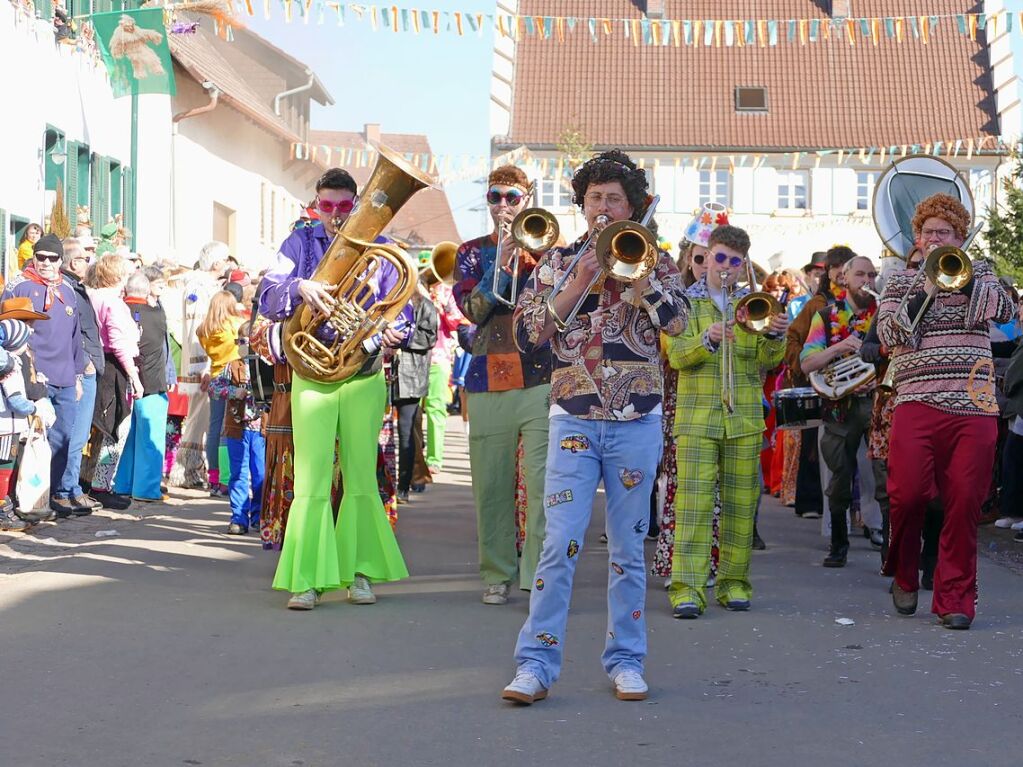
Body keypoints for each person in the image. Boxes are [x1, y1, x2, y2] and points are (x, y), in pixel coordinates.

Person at [502, 150, 688, 705]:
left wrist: (642, 282)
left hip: (637, 421)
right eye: (594, 199)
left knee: (629, 550)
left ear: (632, 207)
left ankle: (626, 661)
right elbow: (528, 334)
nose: (603, 208)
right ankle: (535, 663)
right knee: (559, 543)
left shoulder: (660, 261)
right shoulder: (558, 262)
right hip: (574, 418)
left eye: (614, 199)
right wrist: (579, 278)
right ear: (582, 206)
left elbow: (678, 323)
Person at [259, 167, 414, 610]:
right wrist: (300, 287)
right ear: (316, 205)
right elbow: (268, 294)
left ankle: (358, 574)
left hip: (362, 372)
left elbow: (400, 314)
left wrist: (386, 333)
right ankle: (306, 580)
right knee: (310, 481)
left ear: (358, 204)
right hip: (313, 373)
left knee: (362, 476)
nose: (335, 215)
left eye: (345, 207)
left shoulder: (382, 249)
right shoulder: (299, 244)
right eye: (326, 206)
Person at [878, 193, 1012, 630]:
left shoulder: (983, 273)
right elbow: (890, 334)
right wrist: (928, 289)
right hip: (917, 401)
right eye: (929, 233)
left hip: (974, 405)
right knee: (908, 494)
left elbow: (1006, 311)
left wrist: (965, 280)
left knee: (965, 503)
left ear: (959, 238)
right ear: (917, 239)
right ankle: (904, 571)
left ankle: (955, 597)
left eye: (946, 233)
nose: (936, 239)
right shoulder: (900, 282)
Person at [667, 225, 787, 620]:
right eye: (720, 258)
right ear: (706, 258)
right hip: (697, 419)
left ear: (743, 266)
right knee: (693, 507)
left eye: (735, 262)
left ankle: (734, 583)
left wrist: (775, 338)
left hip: (745, 419)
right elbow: (676, 357)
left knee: (741, 507)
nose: (726, 267)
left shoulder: (754, 304)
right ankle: (687, 588)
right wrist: (707, 339)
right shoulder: (683, 302)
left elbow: (768, 362)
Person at [453, 165, 552, 606]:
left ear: (527, 199)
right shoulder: (472, 252)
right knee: (491, 484)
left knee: (542, 483)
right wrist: (503, 260)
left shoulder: (551, 249)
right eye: (496, 197)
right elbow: (474, 310)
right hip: (488, 376)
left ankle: (536, 575)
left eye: (513, 197)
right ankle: (497, 572)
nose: (504, 206)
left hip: (540, 375)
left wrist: (529, 254)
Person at [653, 204, 730, 583]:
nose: (706, 266)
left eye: (715, 258)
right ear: (689, 258)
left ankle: (714, 562)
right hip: (680, 399)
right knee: (682, 484)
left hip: (722, 400)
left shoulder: (735, 298)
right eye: (700, 258)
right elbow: (667, 352)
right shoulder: (677, 298)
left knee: (719, 487)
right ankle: (678, 563)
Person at [800, 255, 888, 567]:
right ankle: (839, 544)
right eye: (861, 274)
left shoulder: (886, 315)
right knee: (839, 477)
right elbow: (807, 363)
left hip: (879, 406)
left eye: (872, 275)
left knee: (885, 477)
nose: (867, 281)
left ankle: (889, 549)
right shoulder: (825, 317)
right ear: (844, 279)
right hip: (840, 408)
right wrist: (841, 347)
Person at [2, 235, 89, 518]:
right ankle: (22, 498)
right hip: (32, 378)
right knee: (31, 441)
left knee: (62, 438)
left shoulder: (68, 291)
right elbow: (7, 331)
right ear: (34, 258)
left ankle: (53, 495)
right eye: (41, 257)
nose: (47, 263)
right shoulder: (19, 286)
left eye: (53, 258)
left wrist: (77, 375)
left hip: (64, 376)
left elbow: (76, 339)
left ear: (61, 261)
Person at [170, 241, 230, 490]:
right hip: (203, 361)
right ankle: (185, 470)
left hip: (210, 360)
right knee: (198, 418)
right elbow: (198, 328)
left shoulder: (208, 286)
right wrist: (203, 365)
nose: (227, 265)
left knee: (208, 420)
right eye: (225, 260)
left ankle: (198, 468)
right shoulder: (198, 287)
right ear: (216, 263)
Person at [85, 254, 143, 504]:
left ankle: (89, 482)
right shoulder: (112, 302)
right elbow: (118, 343)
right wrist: (134, 376)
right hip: (114, 367)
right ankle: (100, 486)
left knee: (98, 426)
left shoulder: (92, 296)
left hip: (99, 363)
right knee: (116, 427)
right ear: (117, 275)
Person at [112, 270, 171, 503]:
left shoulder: (119, 310)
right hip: (151, 382)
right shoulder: (156, 315)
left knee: (128, 439)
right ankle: (146, 489)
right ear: (147, 291)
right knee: (150, 439)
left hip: (123, 381)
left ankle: (123, 484)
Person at [59, 238, 103, 512]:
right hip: (79, 369)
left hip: (85, 367)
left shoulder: (76, 287)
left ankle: (71, 488)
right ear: (74, 262)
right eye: (86, 257)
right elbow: (71, 331)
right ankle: (67, 490)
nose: (90, 261)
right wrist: (85, 363)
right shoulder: (69, 289)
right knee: (74, 435)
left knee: (79, 434)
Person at [392, 282, 439, 502]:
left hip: (410, 378)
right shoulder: (386, 299)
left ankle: (403, 485)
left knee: (407, 433)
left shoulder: (425, 305)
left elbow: (429, 338)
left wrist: (398, 337)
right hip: (382, 375)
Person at [216, 325, 265, 535]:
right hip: (238, 428)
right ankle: (238, 517)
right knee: (238, 474)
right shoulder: (232, 366)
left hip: (260, 430)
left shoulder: (265, 365)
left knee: (261, 474)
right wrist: (234, 391)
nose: (245, 346)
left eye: (248, 341)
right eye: (241, 342)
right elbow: (214, 388)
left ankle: (259, 517)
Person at [197, 291, 246, 498]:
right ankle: (227, 479)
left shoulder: (203, 329)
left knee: (214, 429)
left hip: (215, 378)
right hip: (234, 376)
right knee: (229, 428)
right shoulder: (235, 324)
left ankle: (214, 478)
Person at [424, 269, 465, 473]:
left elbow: (456, 322)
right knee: (411, 415)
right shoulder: (419, 289)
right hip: (414, 357)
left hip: (438, 357)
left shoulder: (447, 292)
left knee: (435, 408)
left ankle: (434, 459)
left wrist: (443, 306)